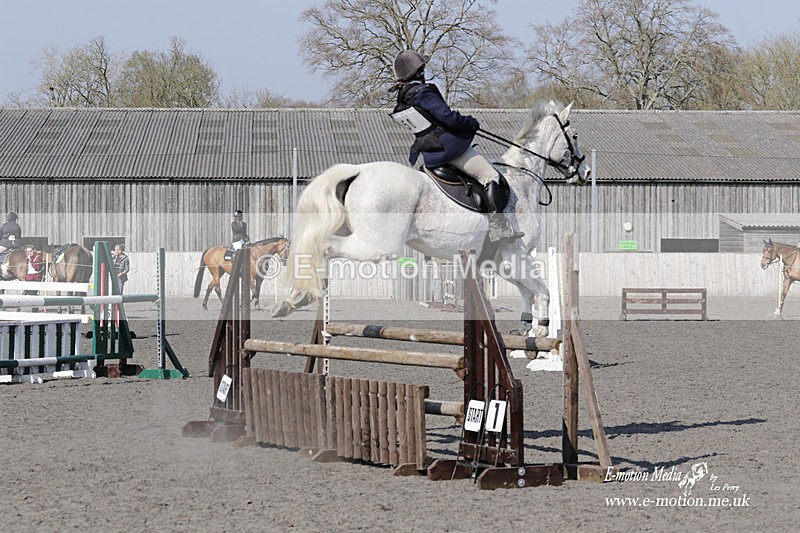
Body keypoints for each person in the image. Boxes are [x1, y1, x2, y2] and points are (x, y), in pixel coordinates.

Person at [390, 50, 522, 242]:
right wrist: (470, 123)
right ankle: (498, 227)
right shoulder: (423, 93)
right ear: (417, 72)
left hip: (429, 154)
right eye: (422, 68)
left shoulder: (404, 98)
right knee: (490, 176)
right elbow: (448, 118)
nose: (424, 71)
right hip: (449, 150)